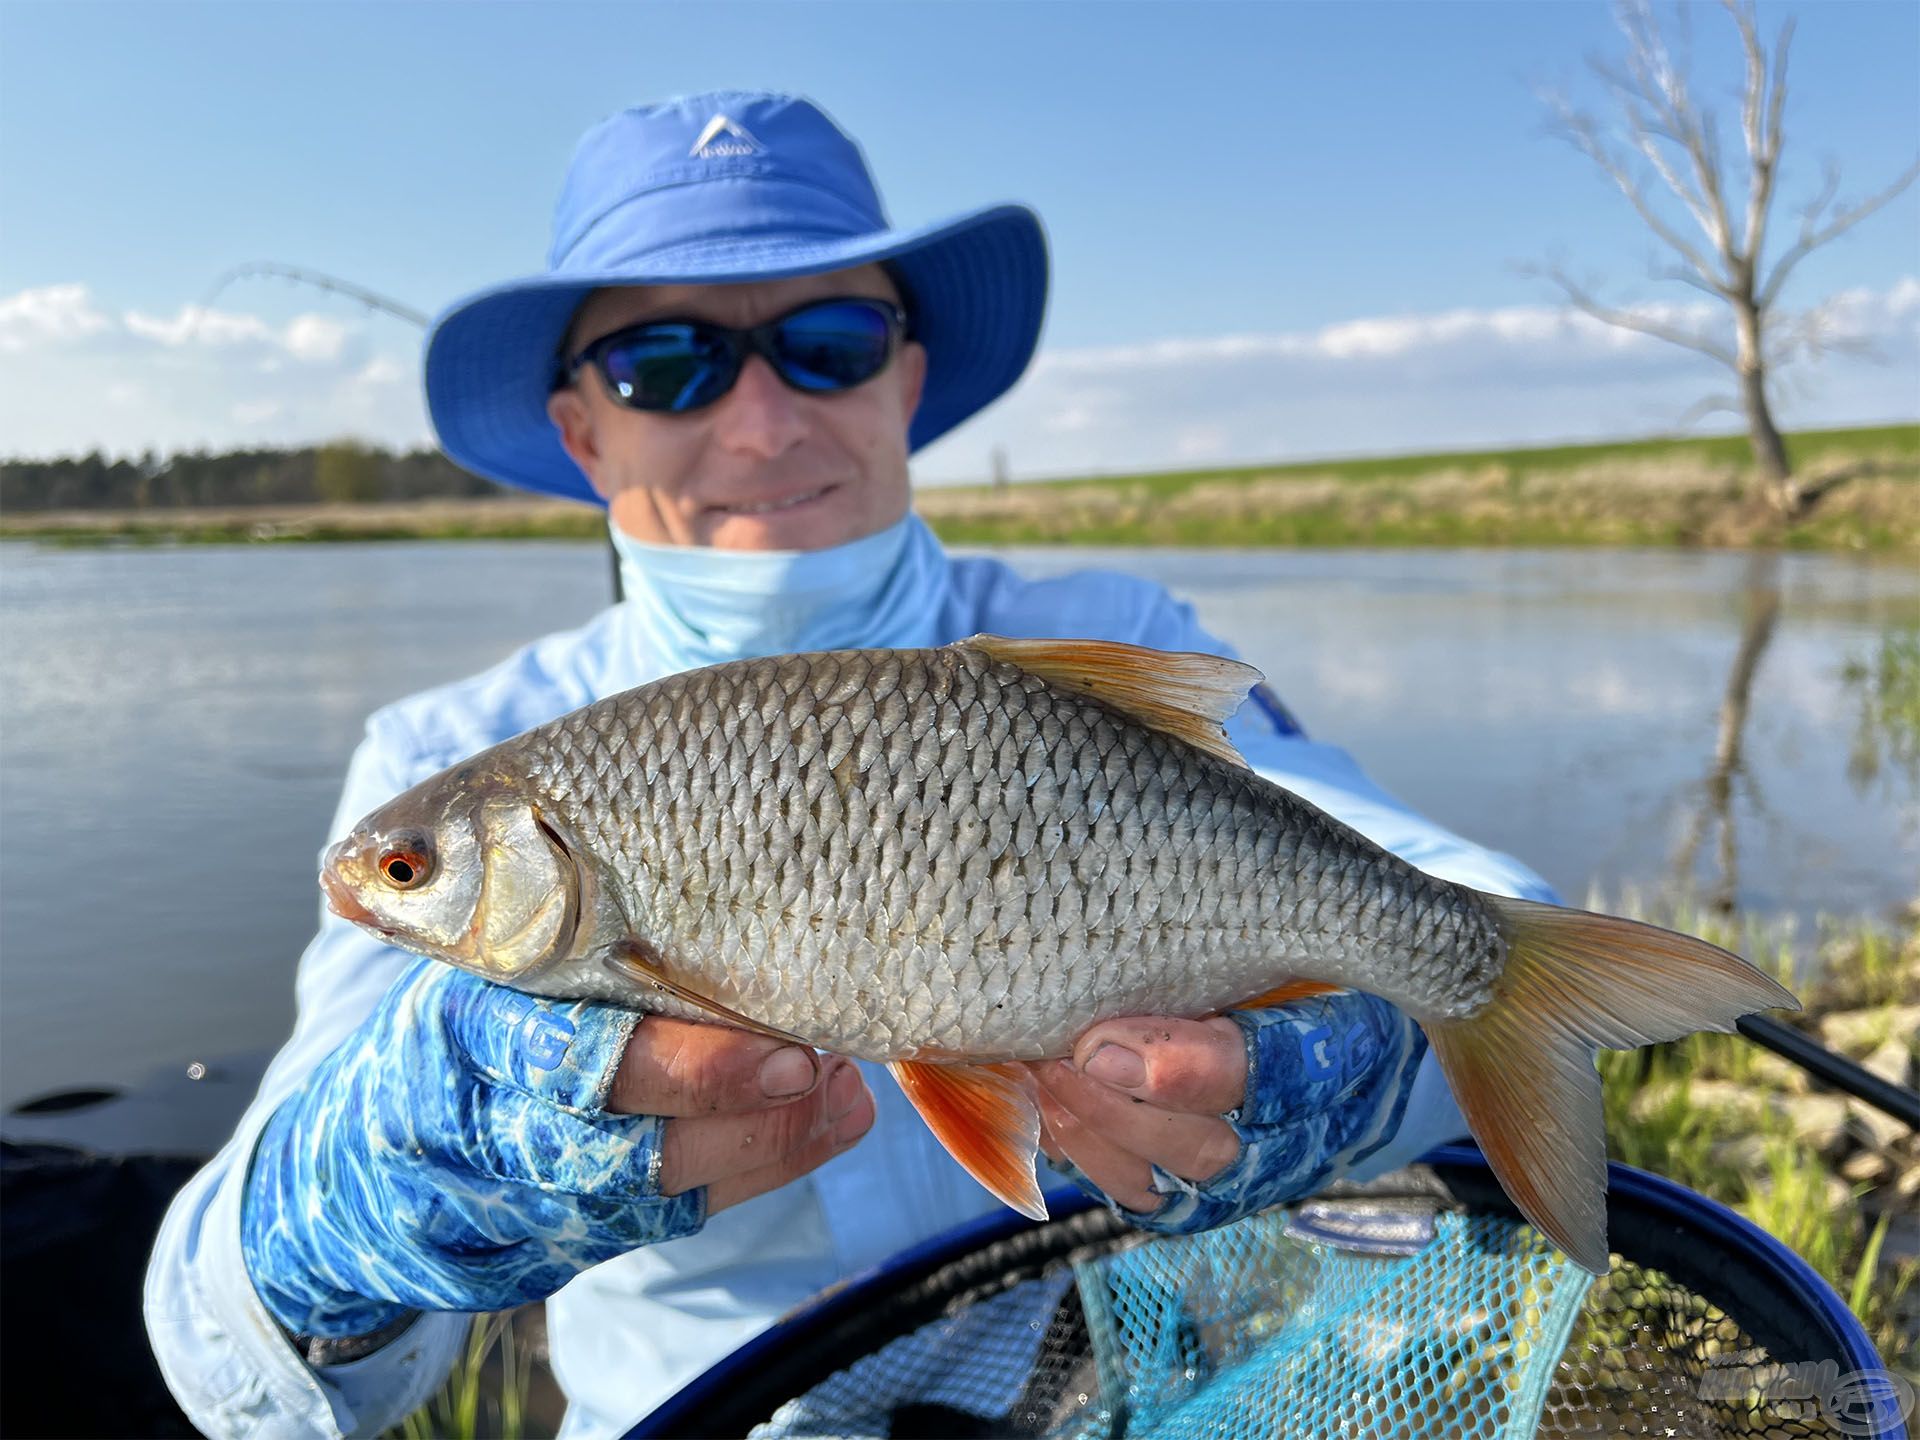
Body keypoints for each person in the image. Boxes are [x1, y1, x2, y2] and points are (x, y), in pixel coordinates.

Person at [145, 91, 1557, 1439]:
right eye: (668, 365)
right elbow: (241, 1373)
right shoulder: (441, 756)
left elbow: (1441, 879)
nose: (762, 424)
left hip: (1089, 1378)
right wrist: (366, 1200)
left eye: (827, 339)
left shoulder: (1119, 637)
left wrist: (1376, 1059)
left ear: (909, 375)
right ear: (584, 429)